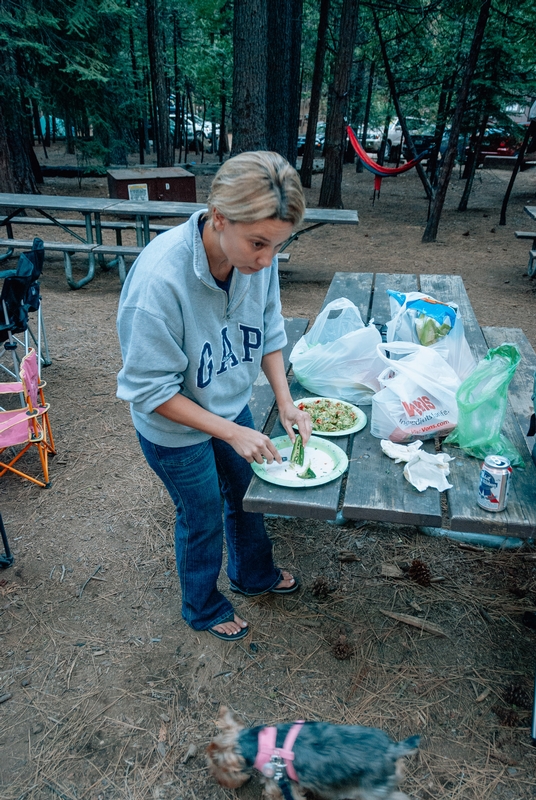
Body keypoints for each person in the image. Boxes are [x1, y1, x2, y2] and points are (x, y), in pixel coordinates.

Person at [117, 151, 312, 642]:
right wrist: (230, 431)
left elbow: (269, 331)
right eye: (259, 244)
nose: (267, 260)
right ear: (219, 217)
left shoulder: (254, 262)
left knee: (247, 495)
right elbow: (148, 391)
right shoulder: (160, 281)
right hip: (172, 427)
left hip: (229, 407)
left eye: (277, 245)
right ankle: (201, 606)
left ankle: (253, 575)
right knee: (201, 513)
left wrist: (285, 401)